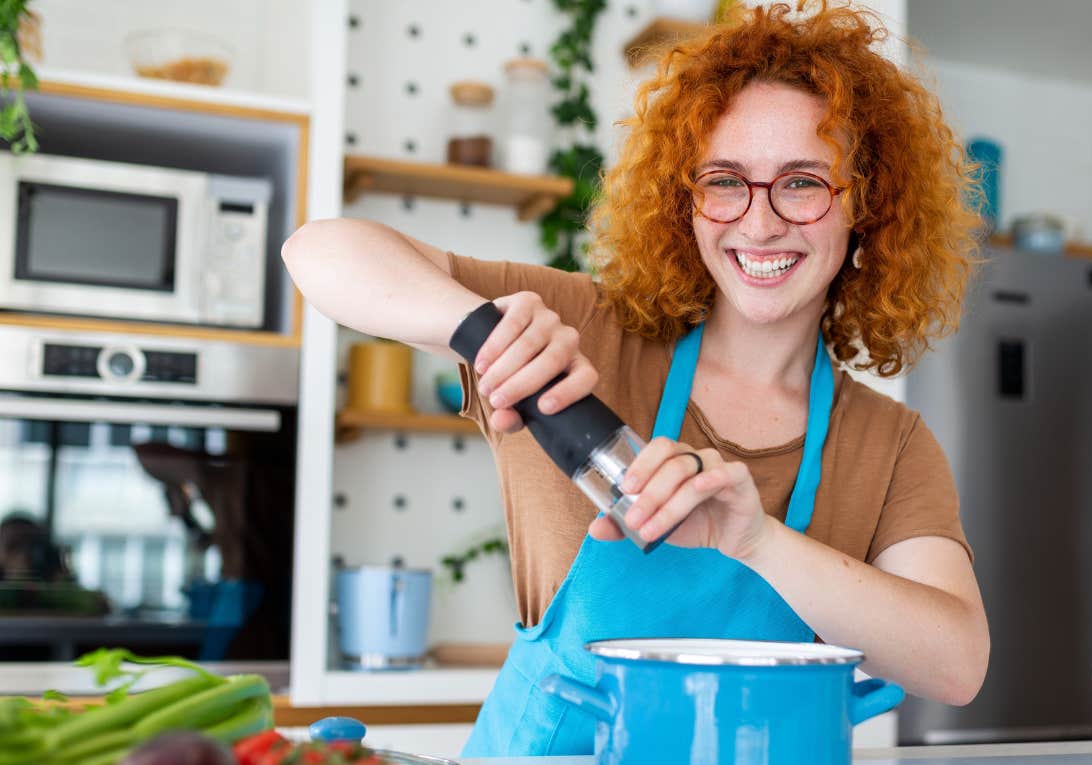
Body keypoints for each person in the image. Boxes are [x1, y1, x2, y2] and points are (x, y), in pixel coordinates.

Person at [284, 2, 988, 756]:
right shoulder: (580, 330)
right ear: (684, 200)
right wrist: (483, 332)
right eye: (724, 181)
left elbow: (956, 664)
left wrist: (754, 539)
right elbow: (317, 252)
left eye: (803, 182)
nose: (758, 223)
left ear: (868, 204)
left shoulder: (889, 443)